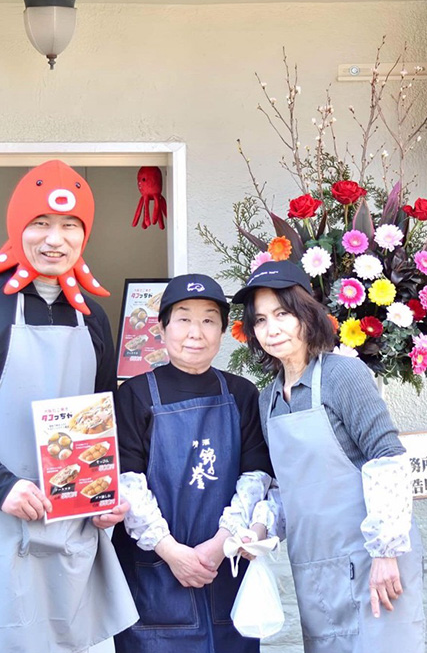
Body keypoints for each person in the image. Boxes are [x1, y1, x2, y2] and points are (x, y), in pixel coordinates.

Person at [0, 160, 138, 653]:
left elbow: (104, 418)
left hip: (73, 529)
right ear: (18, 228)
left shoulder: (93, 319)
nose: (54, 239)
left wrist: (107, 498)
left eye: (69, 226)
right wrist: (4, 487)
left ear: (85, 236)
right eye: (40, 223)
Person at [233, 260, 425, 653]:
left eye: (283, 314)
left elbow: (386, 458)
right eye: (261, 320)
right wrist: (260, 530)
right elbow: (288, 488)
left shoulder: (343, 376)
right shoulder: (268, 400)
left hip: (372, 559)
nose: (272, 329)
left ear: (306, 313)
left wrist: (386, 553)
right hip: (314, 566)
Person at [112, 274, 276, 653]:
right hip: (154, 572)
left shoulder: (241, 393)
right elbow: (127, 481)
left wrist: (220, 544)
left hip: (225, 567)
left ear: (222, 330)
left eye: (208, 320)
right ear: (162, 327)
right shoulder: (134, 394)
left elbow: (256, 477)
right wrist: (171, 551)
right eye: (183, 318)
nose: (195, 332)